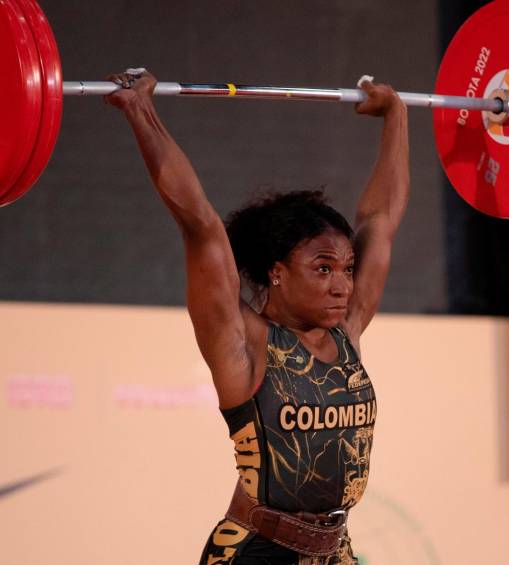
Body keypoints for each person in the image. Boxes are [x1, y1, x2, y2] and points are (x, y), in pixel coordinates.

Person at [106, 68, 409, 565]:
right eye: (323, 267)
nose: (342, 284)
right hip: (256, 552)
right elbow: (200, 225)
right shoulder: (245, 342)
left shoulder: (346, 328)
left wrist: (394, 115)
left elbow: (381, 220)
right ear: (276, 273)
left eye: (347, 269)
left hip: (334, 551)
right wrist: (141, 110)